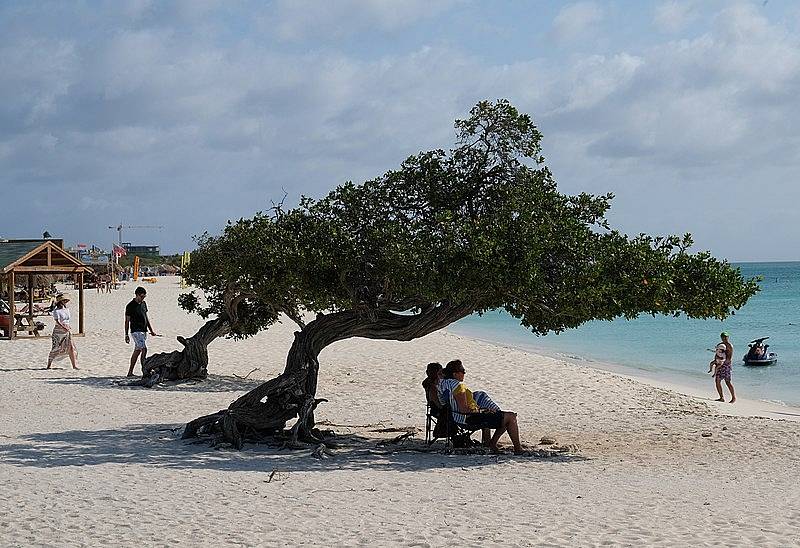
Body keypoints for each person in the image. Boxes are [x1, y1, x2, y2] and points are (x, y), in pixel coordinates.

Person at [441, 359, 523, 454]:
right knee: (511, 417)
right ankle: (517, 449)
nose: (464, 373)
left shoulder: (444, 383)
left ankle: (492, 443)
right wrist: (482, 411)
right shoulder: (458, 386)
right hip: (466, 419)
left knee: (504, 415)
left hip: (454, 417)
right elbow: (464, 409)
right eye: (463, 371)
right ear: (455, 374)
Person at [125, 286, 160, 377]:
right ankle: (145, 370)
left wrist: (151, 330)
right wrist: (126, 334)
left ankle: (130, 372)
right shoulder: (130, 306)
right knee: (144, 349)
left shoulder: (144, 304)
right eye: (141, 296)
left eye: (144, 296)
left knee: (137, 351)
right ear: (136, 295)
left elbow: (146, 317)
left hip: (143, 330)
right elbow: (127, 321)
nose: (142, 298)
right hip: (135, 331)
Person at [47, 294, 78, 370]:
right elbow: (57, 321)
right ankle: (49, 364)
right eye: (64, 300)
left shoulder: (66, 309)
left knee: (71, 346)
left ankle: (74, 365)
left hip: (67, 329)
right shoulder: (56, 311)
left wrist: (67, 327)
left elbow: (67, 320)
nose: (66, 302)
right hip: (59, 331)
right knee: (56, 347)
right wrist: (63, 326)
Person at [714, 332, 736, 403]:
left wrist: (723, 362)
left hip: (726, 365)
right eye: (723, 337)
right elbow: (717, 354)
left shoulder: (730, 346)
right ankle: (721, 397)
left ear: (728, 337)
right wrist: (716, 361)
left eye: (726, 337)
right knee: (717, 381)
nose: (725, 338)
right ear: (721, 337)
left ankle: (733, 398)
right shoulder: (720, 345)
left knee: (728, 382)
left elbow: (729, 357)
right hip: (719, 364)